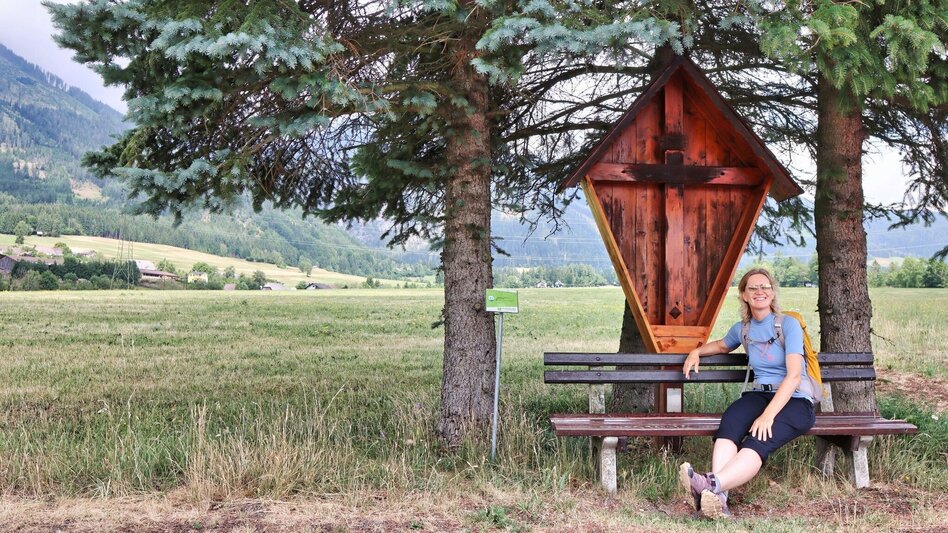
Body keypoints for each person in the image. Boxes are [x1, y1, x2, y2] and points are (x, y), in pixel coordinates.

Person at [679, 268, 816, 518]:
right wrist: (696, 352)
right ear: (744, 295)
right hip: (759, 396)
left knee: (758, 436)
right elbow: (721, 345)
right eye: (753, 288)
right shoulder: (743, 328)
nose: (759, 292)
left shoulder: (789, 325)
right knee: (731, 422)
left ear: (773, 293)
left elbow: (794, 376)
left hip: (795, 400)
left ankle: (710, 485)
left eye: (765, 287)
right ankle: (718, 501)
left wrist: (768, 415)